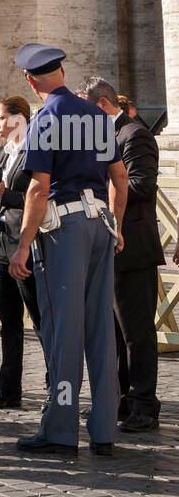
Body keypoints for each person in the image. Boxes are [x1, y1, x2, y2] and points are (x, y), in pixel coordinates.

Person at [9, 44, 128, 457]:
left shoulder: (45, 118)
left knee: (63, 329)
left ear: (31, 80)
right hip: (100, 225)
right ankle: (104, 429)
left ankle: (60, 428)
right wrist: (117, 223)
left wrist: (23, 244)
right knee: (100, 331)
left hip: (66, 228)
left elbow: (39, 188)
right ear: (61, 70)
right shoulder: (97, 114)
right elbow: (120, 176)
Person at [78, 75, 163, 432]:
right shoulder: (97, 137)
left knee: (136, 331)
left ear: (100, 105)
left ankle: (145, 403)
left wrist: (100, 185)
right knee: (111, 330)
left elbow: (141, 184)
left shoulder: (133, 134)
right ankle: (121, 399)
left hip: (133, 248)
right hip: (105, 244)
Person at [0, 97, 45, 410]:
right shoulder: (5, 150)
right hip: (3, 242)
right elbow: (1, 201)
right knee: (9, 320)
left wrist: (8, 194)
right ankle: (9, 388)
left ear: (20, 119)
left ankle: (54, 387)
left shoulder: (34, 149)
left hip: (25, 242)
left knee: (41, 318)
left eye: (2, 118)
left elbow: (38, 197)